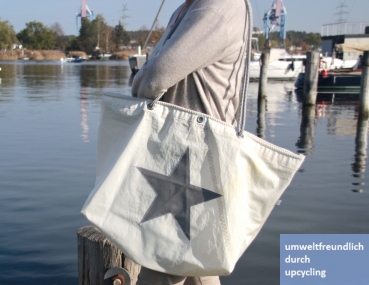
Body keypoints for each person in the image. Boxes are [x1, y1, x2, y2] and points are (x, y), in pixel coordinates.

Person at [131, 0, 249, 284]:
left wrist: (137, 83)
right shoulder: (190, 7)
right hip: (184, 158)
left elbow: (156, 76)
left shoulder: (215, 8)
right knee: (197, 266)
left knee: (162, 264)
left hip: (190, 161)